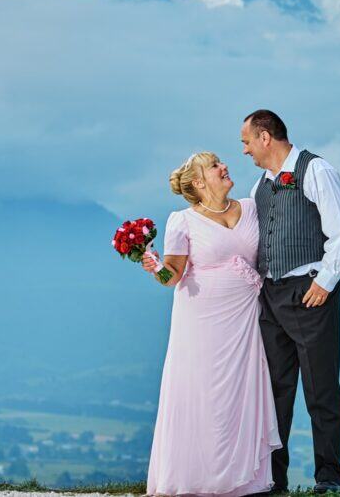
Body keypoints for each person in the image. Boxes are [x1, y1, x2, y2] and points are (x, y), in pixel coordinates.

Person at [143, 152, 281, 497]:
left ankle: (243, 479)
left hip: (244, 320)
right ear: (199, 182)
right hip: (200, 322)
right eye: (215, 165)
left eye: (221, 162)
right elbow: (172, 276)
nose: (224, 166)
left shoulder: (250, 207)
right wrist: (154, 265)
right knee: (202, 392)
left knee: (239, 392)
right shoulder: (183, 221)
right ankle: (194, 476)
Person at [240, 110, 340, 494]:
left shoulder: (315, 170)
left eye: (247, 142)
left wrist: (325, 281)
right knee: (275, 390)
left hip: (309, 293)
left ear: (265, 137)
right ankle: (274, 479)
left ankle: (328, 477)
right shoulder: (260, 186)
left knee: (321, 389)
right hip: (270, 296)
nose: (245, 150)